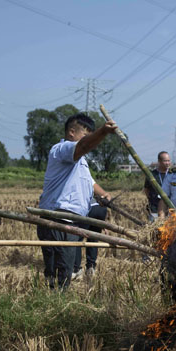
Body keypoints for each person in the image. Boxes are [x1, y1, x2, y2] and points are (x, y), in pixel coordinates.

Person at [37, 113, 116, 289]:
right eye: (85, 134)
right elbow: (84, 145)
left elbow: (90, 182)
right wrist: (103, 131)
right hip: (57, 217)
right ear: (72, 132)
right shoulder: (61, 149)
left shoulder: (81, 161)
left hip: (73, 219)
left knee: (65, 269)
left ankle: (57, 301)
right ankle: (53, 305)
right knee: (58, 272)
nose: (88, 140)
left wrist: (104, 195)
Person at [73, 195, 108, 280]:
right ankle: (91, 268)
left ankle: (77, 269)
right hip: (101, 209)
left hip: (88, 209)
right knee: (93, 239)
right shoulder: (91, 184)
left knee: (77, 240)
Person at [144, 150, 173, 222]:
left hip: (169, 209)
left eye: (169, 161)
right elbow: (146, 189)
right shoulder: (152, 175)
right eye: (165, 161)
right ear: (159, 161)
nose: (167, 163)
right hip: (154, 209)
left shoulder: (173, 174)